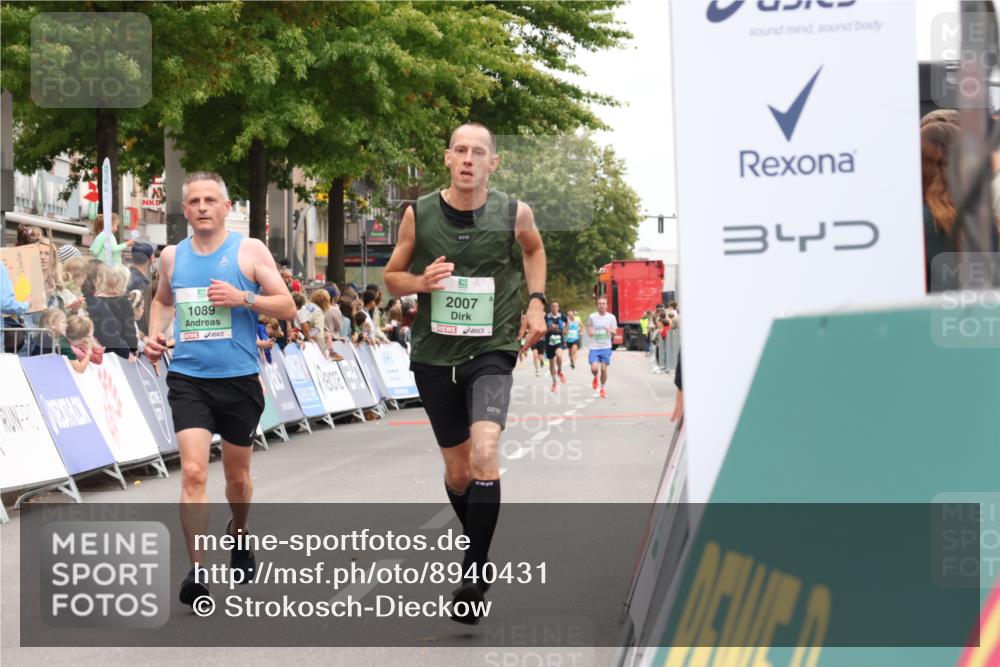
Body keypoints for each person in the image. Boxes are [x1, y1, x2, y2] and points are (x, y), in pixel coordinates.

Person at [383, 122, 547, 624]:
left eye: (480, 152)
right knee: (458, 472)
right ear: (448, 159)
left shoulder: (514, 212)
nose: (469, 159)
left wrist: (536, 303)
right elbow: (392, 279)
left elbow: (534, 250)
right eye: (460, 150)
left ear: (493, 163)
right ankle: (478, 549)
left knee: (485, 451)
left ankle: (474, 571)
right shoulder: (419, 214)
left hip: (492, 350)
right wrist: (421, 282)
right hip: (434, 355)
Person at [144, 171, 296, 608]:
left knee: (237, 477)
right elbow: (162, 301)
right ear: (186, 210)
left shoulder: (248, 250)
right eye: (194, 201)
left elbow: (287, 306)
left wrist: (243, 298)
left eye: (211, 200)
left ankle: (240, 531)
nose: (203, 207)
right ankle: (198, 571)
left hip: (239, 381)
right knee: (192, 472)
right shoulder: (173, 256)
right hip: (189, 379)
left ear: (227, 207)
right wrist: (155, 335)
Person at [586, 297, 618, 398]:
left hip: (606, 347)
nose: (601, 305)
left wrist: (610, 330)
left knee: (604, 370)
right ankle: (595, 376)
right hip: (594, 347)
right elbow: (588, 326)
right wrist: (590, 332)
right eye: (599, 304)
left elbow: (615, 331)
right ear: (597, 305)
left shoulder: (611, 317)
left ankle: (602, 388)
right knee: (594, 368)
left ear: (607, 305)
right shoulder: (592, 316)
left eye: (603, 304)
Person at [544, 300, 568, 392]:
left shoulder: (562, 316)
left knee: (559, 355)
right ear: (550, 308)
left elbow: (568, 323)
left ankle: (560, 371)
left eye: (556, 306)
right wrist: (549, 329)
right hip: (549, 342)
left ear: (558, 308)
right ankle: (554, 382)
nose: (554, 308)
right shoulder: (546, 317)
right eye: (553, 306)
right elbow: (543, 330)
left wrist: (566, 330)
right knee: (551, 363)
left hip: (559, 340)